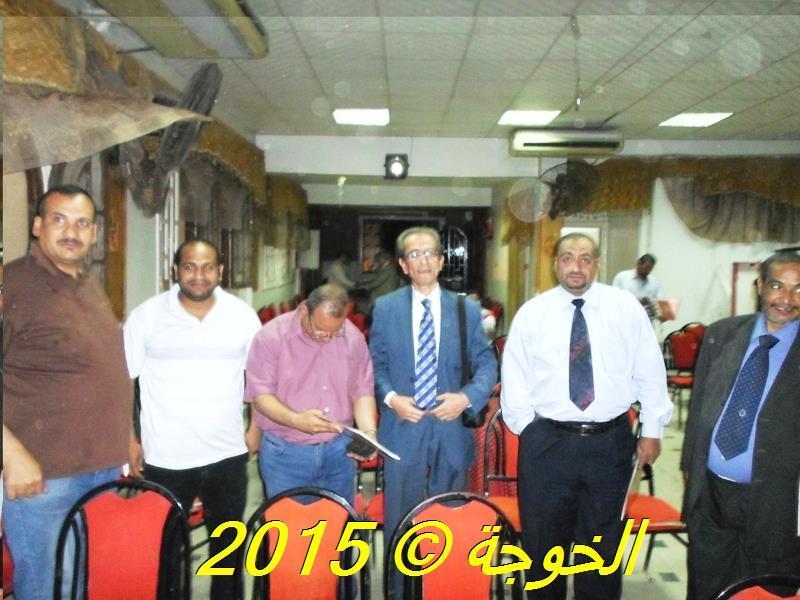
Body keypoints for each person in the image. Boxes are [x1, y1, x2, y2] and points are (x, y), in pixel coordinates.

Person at [501, 233, 672, 600]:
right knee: (543, 545)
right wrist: (529, 430)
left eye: (585, 258)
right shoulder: (533, 313)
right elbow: (514, 375)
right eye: (567, 258)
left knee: (601, 546)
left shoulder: (625, 308)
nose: (576, 266)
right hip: (548, 443)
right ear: (555, 264)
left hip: (609, 444)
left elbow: (650, 370)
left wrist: (652, 428)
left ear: (597, 264)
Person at [2, 185, 132, 600]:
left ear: (94, 233)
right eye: (59, 220)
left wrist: (126, 438)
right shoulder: (12, 284)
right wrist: (10, 453)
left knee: (79, 583)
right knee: (46, 587)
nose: (71, 232)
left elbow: (103, 370)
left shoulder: (88, 283)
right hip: (43, 475)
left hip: (99, 468)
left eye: (82, 223)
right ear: (37, 225)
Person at [124, 239, 261, 600]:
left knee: (227, 555)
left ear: (220, 271)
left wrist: (255, 427)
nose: (198, 275)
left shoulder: (242, 316)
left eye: (207, 267)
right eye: (189, 266)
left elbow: (260, 378)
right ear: (175, 270)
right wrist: (129, 439)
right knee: (167, 554)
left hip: (227, 454)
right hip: (165, 457)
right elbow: (124, 382)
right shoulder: (146, 317)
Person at [369, 227, 497, 554]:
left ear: (441, 261)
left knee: (450, 516)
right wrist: (391, 399)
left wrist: (466, 398)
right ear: (403, 265)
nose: (423, 261)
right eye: (415, 254)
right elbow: (374, 364)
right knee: (401, 515)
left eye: (430, 253)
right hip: (403, 425)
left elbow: (487, 363)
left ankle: (442, 577)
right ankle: (401, 581)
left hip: (451, 425)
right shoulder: (385, 308)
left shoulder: (466, 309)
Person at [681, 251, 800, 599]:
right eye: (777, 286)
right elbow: (699, 410)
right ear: (760, 285)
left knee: (761, 590)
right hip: (711, 495)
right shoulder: (722, 335)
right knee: (706, 587)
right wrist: (690, 471)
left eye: (798, 289)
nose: (787, 299)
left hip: (778, 503)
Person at [245, 283, 377, 504]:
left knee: (337, 522)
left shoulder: (352, 338)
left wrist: (368, 433)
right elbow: (261, 396)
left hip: (339, 452)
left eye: (335, 332)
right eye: (320, 331)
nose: (327, 338)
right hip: (286, 454)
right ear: (304, 311)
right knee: (288, 524)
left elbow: (362, 391)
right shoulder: (271, 337)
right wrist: (295, 420)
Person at [612, 253, 665, 322]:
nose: (648, 271)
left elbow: (660, 302)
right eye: (646, 268)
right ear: (638, 264)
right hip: (625, 321)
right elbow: (614, 299)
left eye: (650, 269)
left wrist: (663, 314)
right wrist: (636, 301)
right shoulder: (622, 277)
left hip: (646, 322)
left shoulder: (654, 282)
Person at [362, 248, 401, 313]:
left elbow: (377, 282)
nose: (376, 262)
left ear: (383, 260)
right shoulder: (386, 268)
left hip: (384, 295)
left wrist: (366, 286)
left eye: (377, 260)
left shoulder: (389, 269)